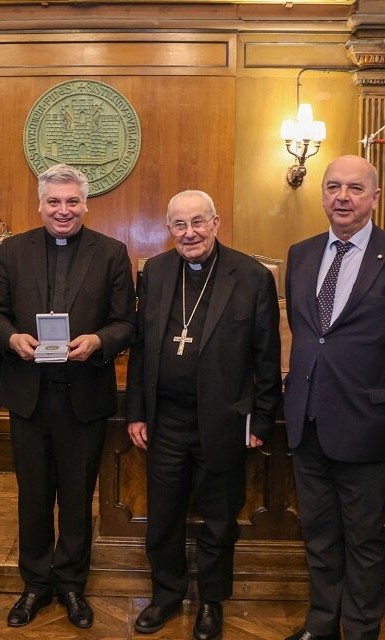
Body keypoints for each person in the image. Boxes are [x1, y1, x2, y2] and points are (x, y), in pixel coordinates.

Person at [281, 156, 385, 640]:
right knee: (320, 534)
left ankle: (363, 629)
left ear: (374, 196)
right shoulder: (301, 252)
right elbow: (312, 335)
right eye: (333, 187)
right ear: (323, 194)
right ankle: (321, 623)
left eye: (354, 188)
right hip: (306, 421)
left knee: (365, 539)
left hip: (371, 424)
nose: (342, 197)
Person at [126, 190, 281, 640]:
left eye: (198, 222)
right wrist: (137, 411)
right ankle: (166, 595)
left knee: (218, 520)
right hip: (165, 422)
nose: (189, 233)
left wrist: (263, 420)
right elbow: (140, 349)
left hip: (224, 420)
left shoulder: (251, 276)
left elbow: (265, 356)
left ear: (216, 222)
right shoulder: (155, 272)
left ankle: (211, 602)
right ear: (169, 228)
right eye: (179, 225)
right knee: (164, 517)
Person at [0, 163, 135, 629]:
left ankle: (71, 584)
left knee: (76, 496)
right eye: (54, 201)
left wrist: (98, 342)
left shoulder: (111, 253)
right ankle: (35, 584)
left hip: (84, 396)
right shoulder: (11, 250)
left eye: (72, 201)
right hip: (30, 396)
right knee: (32, 495)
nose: (63, 210)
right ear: (40, 204)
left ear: (86, 204)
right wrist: (11, 339)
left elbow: (127, 322)